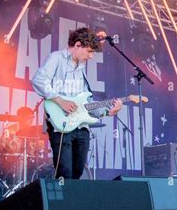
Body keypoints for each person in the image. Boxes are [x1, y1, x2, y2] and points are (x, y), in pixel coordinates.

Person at [32, 27, 123, 179]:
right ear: (78, 45)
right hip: (60, 125)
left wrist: (107, 111)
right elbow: (38, 81)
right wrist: (60, 100)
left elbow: (86, 102)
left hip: (81, 127)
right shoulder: (56, 58)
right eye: (89, 51)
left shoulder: (81, 68)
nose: (91, 56)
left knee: (77, 174)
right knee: (64, 174)